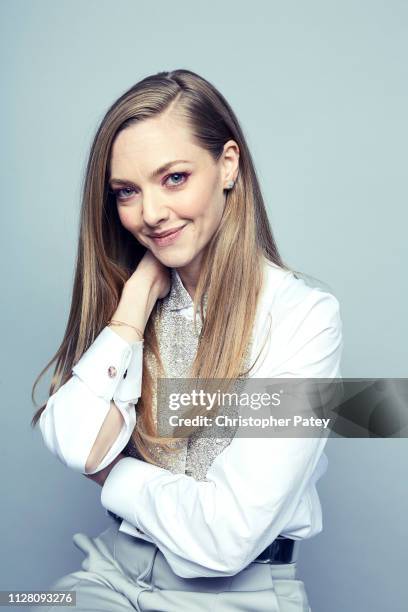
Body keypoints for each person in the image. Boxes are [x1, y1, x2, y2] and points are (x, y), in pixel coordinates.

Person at [31, 68, 343, 612]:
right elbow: (76, 442)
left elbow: (227, 538)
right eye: (127, 192)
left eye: (173, 178)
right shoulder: (130, 293)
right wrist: (131, 311)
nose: (150, 214)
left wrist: (114, 474)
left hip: (236, 594)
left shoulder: (303, 318)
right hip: (110, 570)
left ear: (227, 165)